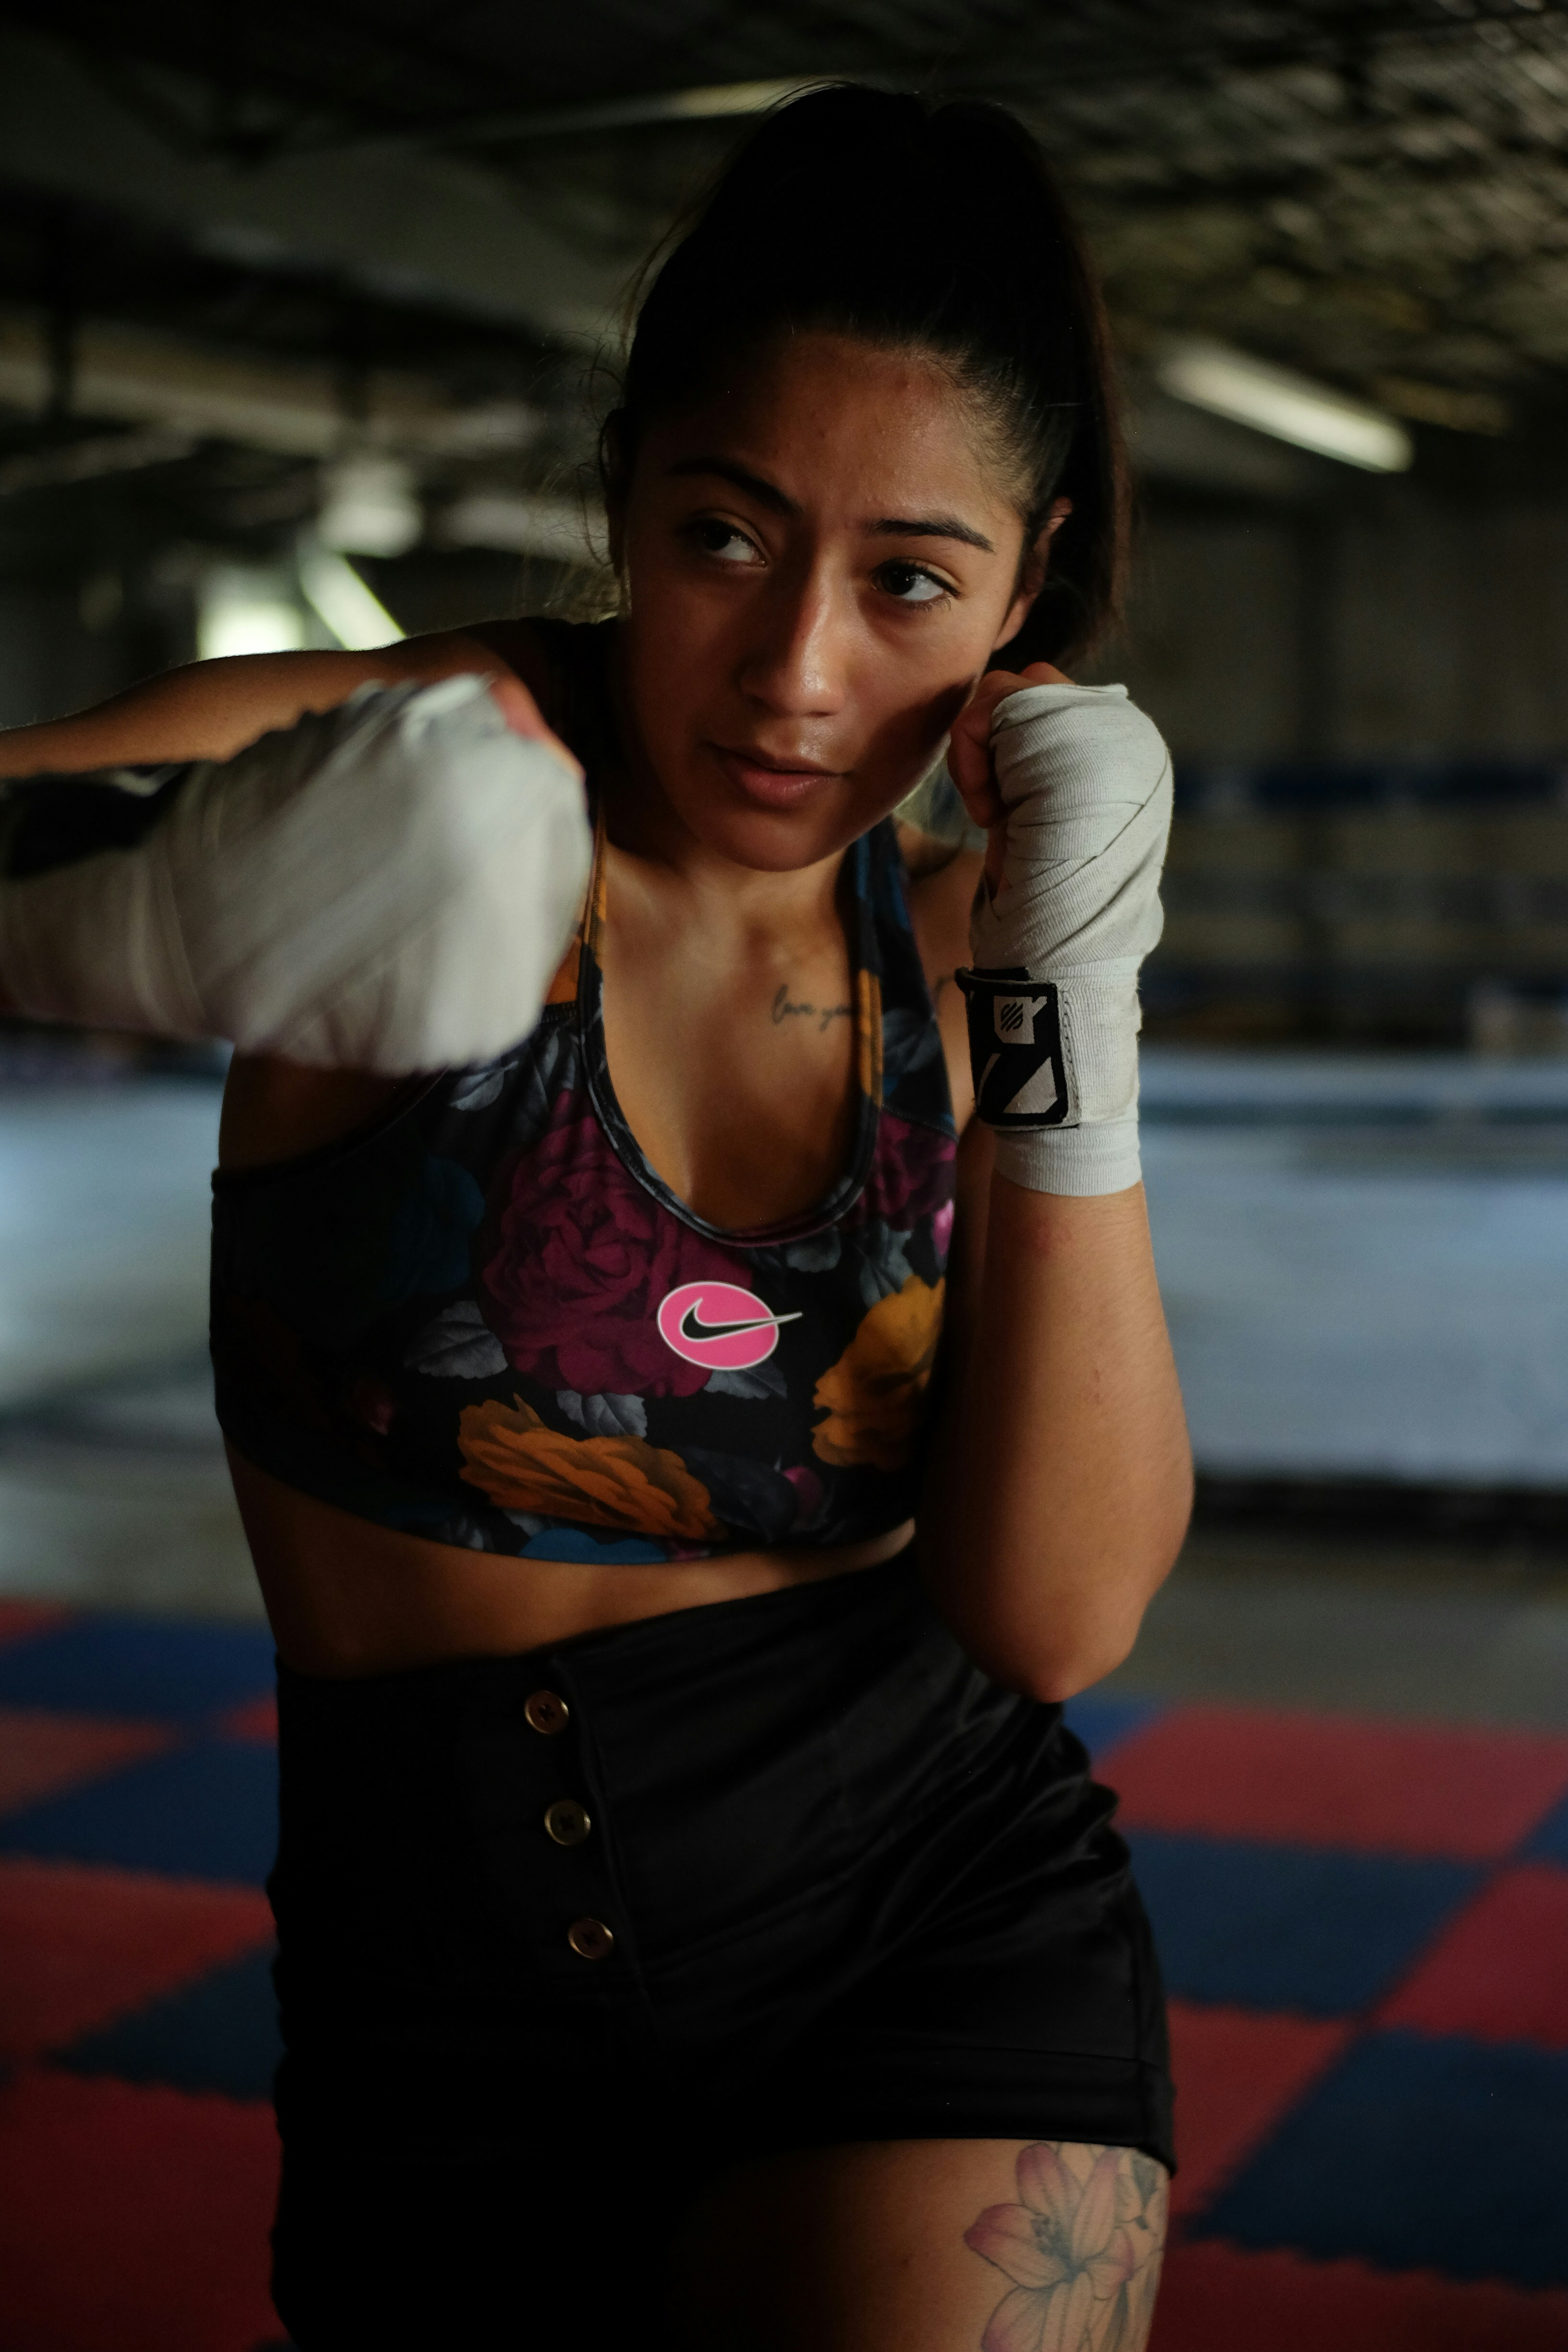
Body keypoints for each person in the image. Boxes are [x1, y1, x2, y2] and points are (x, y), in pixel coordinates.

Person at [0, 86, 1191, 2352]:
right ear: (629, 492)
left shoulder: (983, 941)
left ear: (1027, 591)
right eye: (728, 537)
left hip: (928, 1920)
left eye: (910, 580)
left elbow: (1054, 1618)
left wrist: (1078, 1018)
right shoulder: (397, 762)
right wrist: (153, 907)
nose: (797, 672)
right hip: (430, 2016)